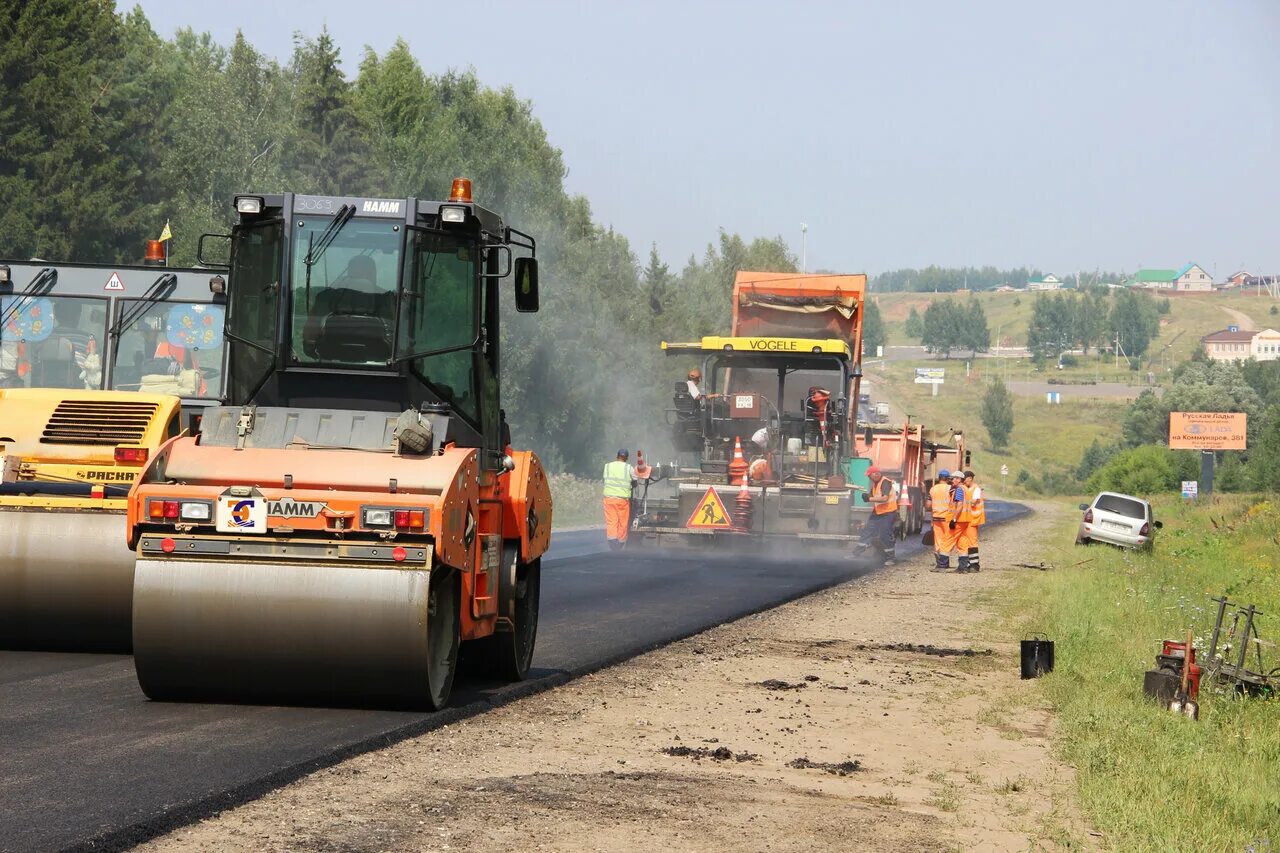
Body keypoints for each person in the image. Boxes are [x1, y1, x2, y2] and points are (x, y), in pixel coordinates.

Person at [602, 449, 638, 551]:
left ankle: (612, 541)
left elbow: (605, 479)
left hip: (608, 499)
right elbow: (635, 482)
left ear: (616, 456)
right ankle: (621, 542)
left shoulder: (607, 466)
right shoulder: (628, 468)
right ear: (626, 458)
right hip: (622, 500)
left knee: (611, 521)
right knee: (623, 522)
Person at [862, 466, 899, 564]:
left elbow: (884, 498)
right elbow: (872, 496)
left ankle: (891, 558)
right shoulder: (876, 484)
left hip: (888, 512)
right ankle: (856, 553)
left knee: (885, 535)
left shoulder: (885, 482)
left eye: (869, 475)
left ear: (876, 474)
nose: (869, 477)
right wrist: (867, 496)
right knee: (868, 530)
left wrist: (869, 499)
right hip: (878, 512)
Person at [926, 469, 955, 571]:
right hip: (946, 518)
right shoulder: (950, 489)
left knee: (938, 541)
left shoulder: (933, 489)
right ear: (948, 479)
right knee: (947, 540)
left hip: (936, 518)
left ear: (939, 478)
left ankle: (939, 563)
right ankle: (944, 563)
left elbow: (928, 505)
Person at [960, 470, 985, 571]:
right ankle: (969, 563)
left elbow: (974, 502)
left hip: (973, 519)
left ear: (970, 478)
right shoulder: (967, 488)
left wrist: (962, 502)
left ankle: (975, 565)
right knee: (966, 542)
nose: (963, 481)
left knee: (972, 542)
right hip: (967, 519)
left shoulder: (976, 489)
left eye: (964, 479)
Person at [949, 471, 972, 572]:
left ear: (959, 479)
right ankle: (963, 567)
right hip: (965, 519)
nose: (952, 480)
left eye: (954, 478)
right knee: (962, 542)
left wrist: (954, 519)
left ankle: (942, 564)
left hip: (959, 519)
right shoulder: (966, 489)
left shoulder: (959, 489)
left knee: (947, 539)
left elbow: (959, 505)